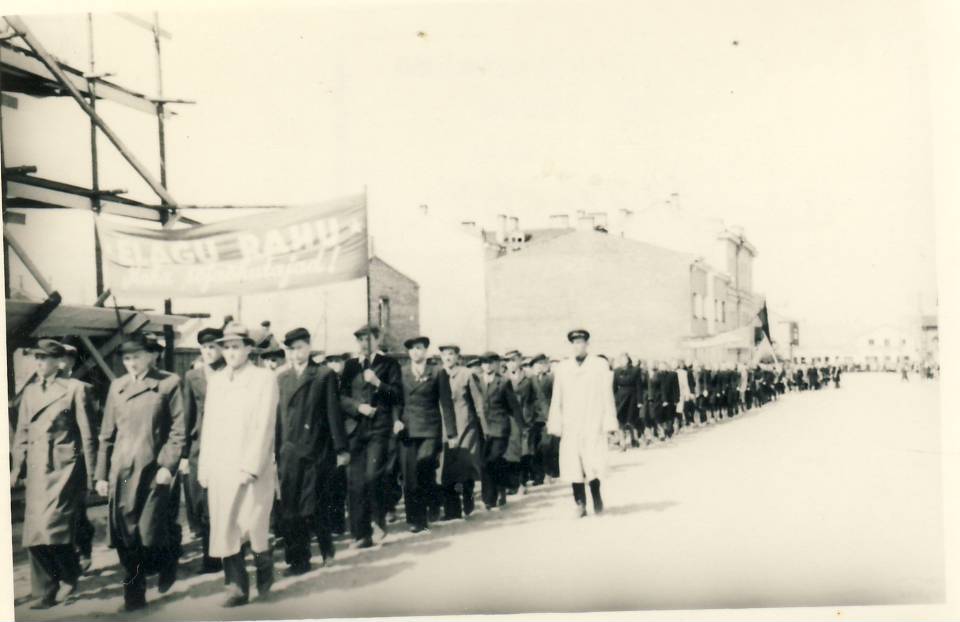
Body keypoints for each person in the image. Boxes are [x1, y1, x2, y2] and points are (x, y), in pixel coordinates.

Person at [94, 334, 185, 612]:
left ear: (151, 356)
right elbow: (107, 434)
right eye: (126, 358)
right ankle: (134, 593)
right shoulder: (117, 387)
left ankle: (169, 559)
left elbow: (178, 431)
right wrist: (100, 475)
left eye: (137, 356)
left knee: (149, 532)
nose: (131, 363)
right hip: (121, 471)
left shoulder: (168, 383)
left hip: (152, 470)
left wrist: (167, 466)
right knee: (125, 534)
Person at [11, 339, 96, 609]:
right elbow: (22, 433)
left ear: (59, 362)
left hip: (63, 469)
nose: (39, 364)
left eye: (44, 359)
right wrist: (16, 468)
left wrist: (93, 476)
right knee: (34, 533)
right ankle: (44, 591)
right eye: (36, 359)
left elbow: (88, 436)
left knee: (52, 528)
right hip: (37, 470)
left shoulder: (75, 390)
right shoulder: (30, 393)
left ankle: (69, 575)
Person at [198, 323, 279, 607]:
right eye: (227, 347)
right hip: (221, 465)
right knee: (225, 527)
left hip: (250, 466)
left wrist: (252, 465)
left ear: (248, 349)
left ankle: (264, 563)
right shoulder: (216, 380)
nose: (231, 352)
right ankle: (235, 587)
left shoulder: (263, 379)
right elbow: (208, 426)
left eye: (236, 347)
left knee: (253, 524)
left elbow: (265, 425)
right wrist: (204, 466)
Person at [275, 328, 349, 574]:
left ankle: (327, 547)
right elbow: (277, 417)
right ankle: (298, 560)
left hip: (316, 450)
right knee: (290, 508)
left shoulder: (323, 374)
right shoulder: (281, 378)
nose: (296, 353)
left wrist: (341, 448)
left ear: (308, 347)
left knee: (314, 504)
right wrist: (274, 450)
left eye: (299, 347)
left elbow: (333, 412)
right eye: (291, 349)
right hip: (288, 451)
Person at [339, 325, 403, 548]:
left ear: (377, 340)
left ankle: (379, 523)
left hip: (379, 429)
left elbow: (396, 394)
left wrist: (378, 383)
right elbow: (341, 397)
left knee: (372, 477)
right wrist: (358, 407)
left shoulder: (389, 364)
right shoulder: (349, 366)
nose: (363, 344)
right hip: (355, 429)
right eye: (359, 340)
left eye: (367, 339)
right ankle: (360, 534)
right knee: (355, 482)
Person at [547, 329, 618, 518]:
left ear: (587, 344)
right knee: (573, 464)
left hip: (592, 420)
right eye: (574, 343)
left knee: (593, 462)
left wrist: (609, 422)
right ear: (571, 345)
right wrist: (556, 423)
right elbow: (557, 397)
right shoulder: (563, 368)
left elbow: (607, 395)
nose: (578, 346)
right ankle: (579, 503)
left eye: (581, 342)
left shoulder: (598, 365)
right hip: (571, 423)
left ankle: (596, 497)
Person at [396, 336, 457, 532]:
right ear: (408, 353)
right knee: (409, 476)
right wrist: (395, 420)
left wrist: (452, 433)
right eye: (412, 349)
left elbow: (446, 404)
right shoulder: (401, 372)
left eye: (419, 348)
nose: (416, 352)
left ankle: (428, 508)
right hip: (407, 430)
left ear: (426, 351)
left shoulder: (437, 372)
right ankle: (415, 519)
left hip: (430, 429)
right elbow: (397, 400)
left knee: (423, 467)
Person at [181, 327, 225, 575]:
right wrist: (186, 454)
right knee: (202, 501)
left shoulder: (230, 373)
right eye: (204, 348)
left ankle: (228, 552)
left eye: (213, 347)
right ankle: (210, 557)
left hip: (227, 445)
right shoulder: (193, 377)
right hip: (201, 445)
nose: (209, 352)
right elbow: (188, 415)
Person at [55, 342, 96, 572]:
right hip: (52, 464)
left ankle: (84, 551)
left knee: (77, 513)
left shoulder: (81, 388)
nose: (61, 363)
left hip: (74, 462)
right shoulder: (40, 388)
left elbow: (88, 432)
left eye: (66, 359)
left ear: (71, 362)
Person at [437, 344, 486, 520]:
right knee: (447, 468)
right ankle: (452, 510)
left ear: (458, 356)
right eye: (444, 354)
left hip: (466, 425)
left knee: (465, 464)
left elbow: (478, 402)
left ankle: (468, 497)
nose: (448, 357)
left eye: (451, 354)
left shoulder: (466, 374)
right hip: (445, 426)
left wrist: (483, 427)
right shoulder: (438, 374)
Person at [477, 352, 521, 510]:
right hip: (481, 429)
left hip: (500, 427)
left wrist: (520, 427)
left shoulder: (503, 382)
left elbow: (513, 407)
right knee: (484, 463)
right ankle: (498, 490)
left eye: (491, 362)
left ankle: (490, 498)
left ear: (496, 364)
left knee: (492, 460)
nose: (487, 366)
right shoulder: (476, 380)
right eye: (484, 363)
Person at [323, 353, 350, 536]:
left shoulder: (348, 380)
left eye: (338, 360)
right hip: (328, 434)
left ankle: (339, 522)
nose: (334, 364)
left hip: (347, 432)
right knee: (330, 480)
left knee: (342, 479)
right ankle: (332, 522)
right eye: (330, 361)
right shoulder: (323, 379)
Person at [612, 353, 638, 451]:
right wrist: (614, 399)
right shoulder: (616, 371)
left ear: (628, 360)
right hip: (620, 399)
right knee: (620, 420)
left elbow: (638, 386)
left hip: (632, 398)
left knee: (631, 421)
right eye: (621, 359)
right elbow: (614, 388)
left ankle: (634, 439)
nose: (623, 361)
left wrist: (639, 401)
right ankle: (623, 444)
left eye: (625, 359)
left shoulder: (635, 370)